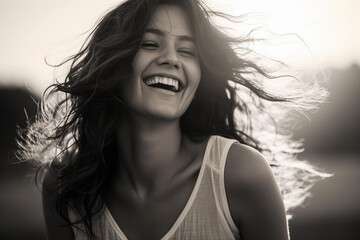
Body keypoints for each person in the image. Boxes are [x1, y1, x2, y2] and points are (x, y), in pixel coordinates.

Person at [17, 0, 330, 239]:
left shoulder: (241, 175)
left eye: (188, 51)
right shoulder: (64, 185)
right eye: (150, 44)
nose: (171, 59)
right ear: (114, 63)